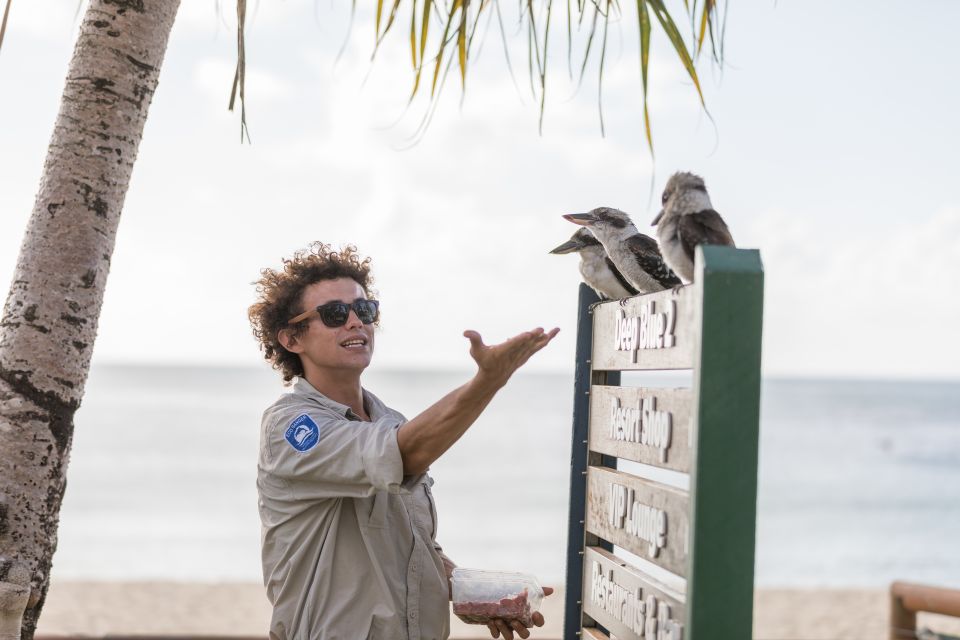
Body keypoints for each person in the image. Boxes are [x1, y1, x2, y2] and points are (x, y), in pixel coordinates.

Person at [248, 243, 559, 640]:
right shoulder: (290, 427)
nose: (355, 323)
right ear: (292, 339)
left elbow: (409, 545)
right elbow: (405, 454)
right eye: (334, 314)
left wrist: (471, 592)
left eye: (365, 310)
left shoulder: (388, 421)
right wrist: (488, 381)